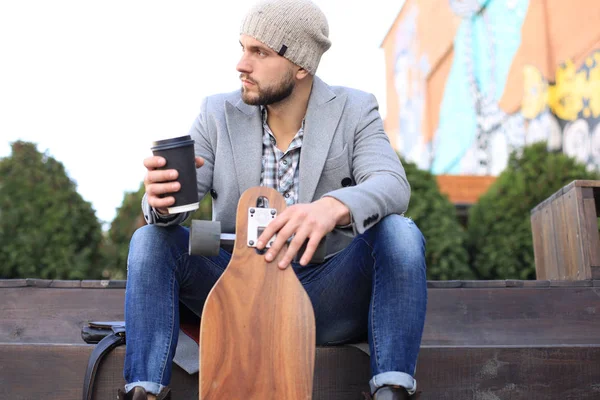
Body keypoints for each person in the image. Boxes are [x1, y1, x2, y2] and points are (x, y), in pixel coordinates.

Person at [119, 0, 427, 399]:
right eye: (242, 47)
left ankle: (392, 390)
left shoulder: (355, 109)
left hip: (324, 292)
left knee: (400, 232)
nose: (241, 64)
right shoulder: (217, 113)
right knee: (150, 240)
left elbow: (392, 183)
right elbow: (179, 204)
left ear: (300, 66)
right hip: (232, 286)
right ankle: (144, 391)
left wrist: (332, 208)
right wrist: (161, 203)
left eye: (259, 52)